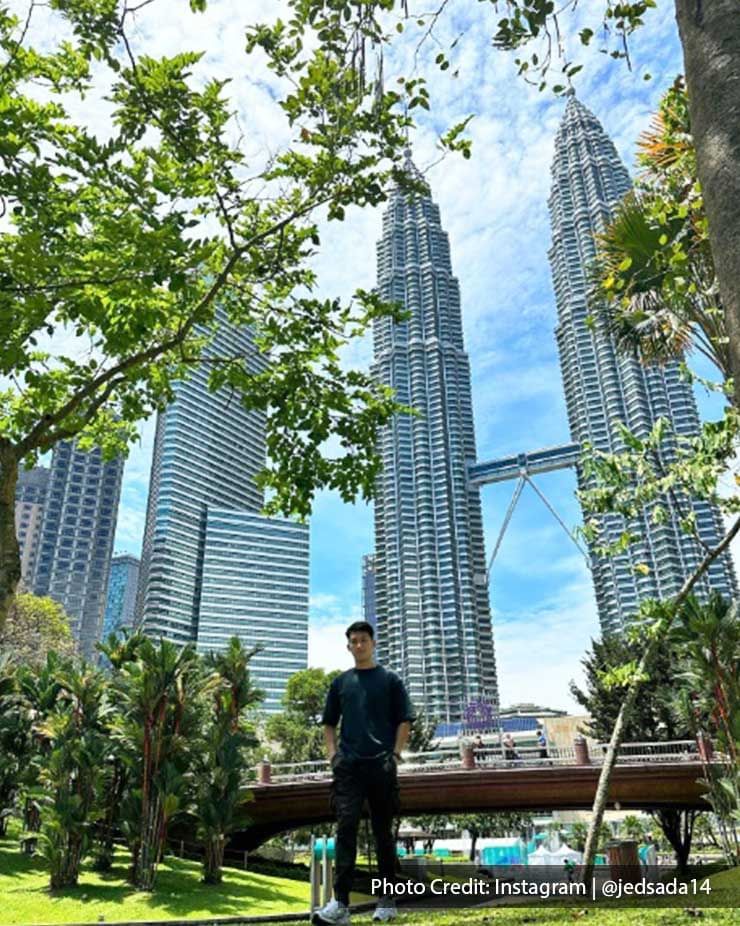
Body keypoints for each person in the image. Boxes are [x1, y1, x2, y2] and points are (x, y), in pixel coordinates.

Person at [313, 621, 415, 926]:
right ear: (348, 647)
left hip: (382, 766)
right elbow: (328, 723)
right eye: (353, 641)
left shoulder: (390, 680)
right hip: (349, 769)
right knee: (345, 830)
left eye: (363, 640)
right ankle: (340, 904)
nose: (359, 645)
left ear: (373, 643)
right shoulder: (341, 683)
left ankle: (386, 901)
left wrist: (395, 755)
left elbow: (405, 720)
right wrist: (334, 757)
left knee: (383, 833)